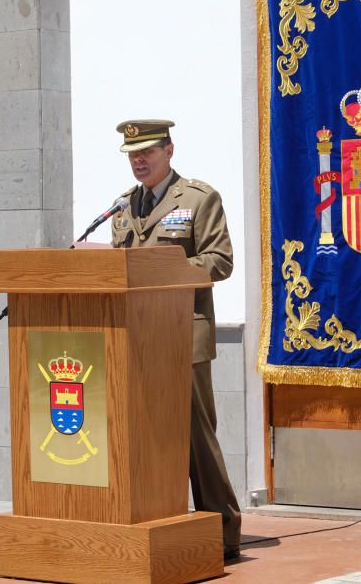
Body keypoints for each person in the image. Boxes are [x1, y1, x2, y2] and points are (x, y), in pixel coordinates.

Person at [109, 119, 242, 562]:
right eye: (132, 155)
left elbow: (219, 261)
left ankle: (222, 531)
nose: (138, 161)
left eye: (146, 152)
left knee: (195, 436)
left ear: (169, 150)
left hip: (184, 334)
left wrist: (165, 271)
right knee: (142, 433)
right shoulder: (123, 206)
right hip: (136, 337)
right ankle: (153, 522)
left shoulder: (199, 198)